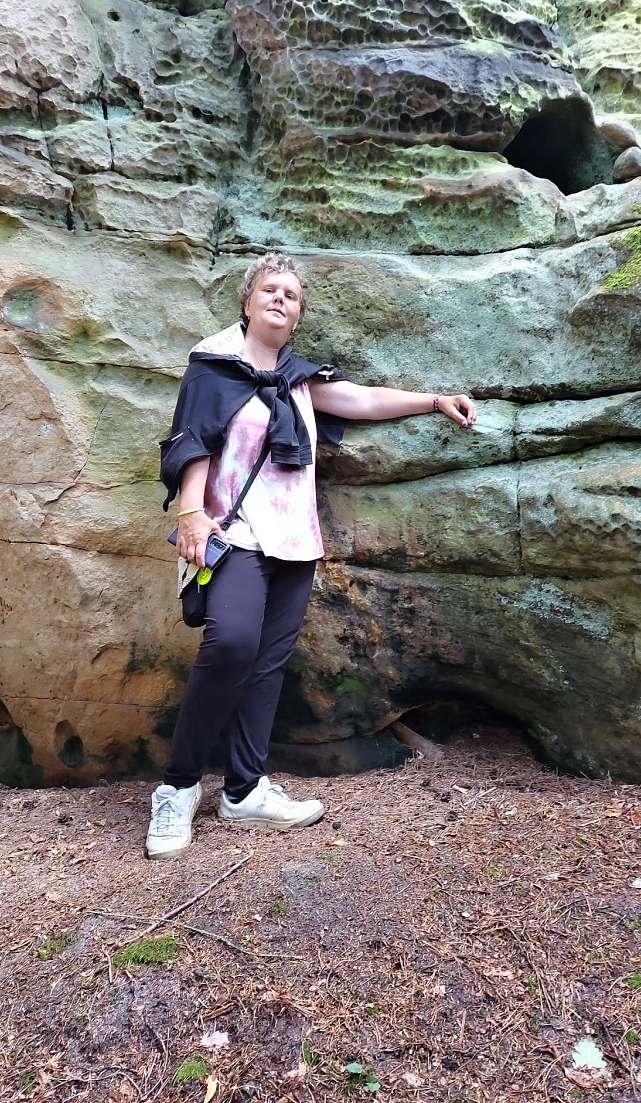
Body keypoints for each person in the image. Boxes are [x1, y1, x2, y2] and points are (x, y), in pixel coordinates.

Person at [147, 253, 477, 858]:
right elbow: (193, 438)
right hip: (233, 534)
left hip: (294, 539)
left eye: (291, 295)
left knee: (268, 663)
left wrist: (435, 401)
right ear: (247, 302)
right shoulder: (212, 366)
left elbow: (360, 400)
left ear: (297, 316)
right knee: (232, 644)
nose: (280, 299)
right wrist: (190, 511)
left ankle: (245, 790)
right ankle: (177, 786)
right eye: (269, 289)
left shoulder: (298, 379)